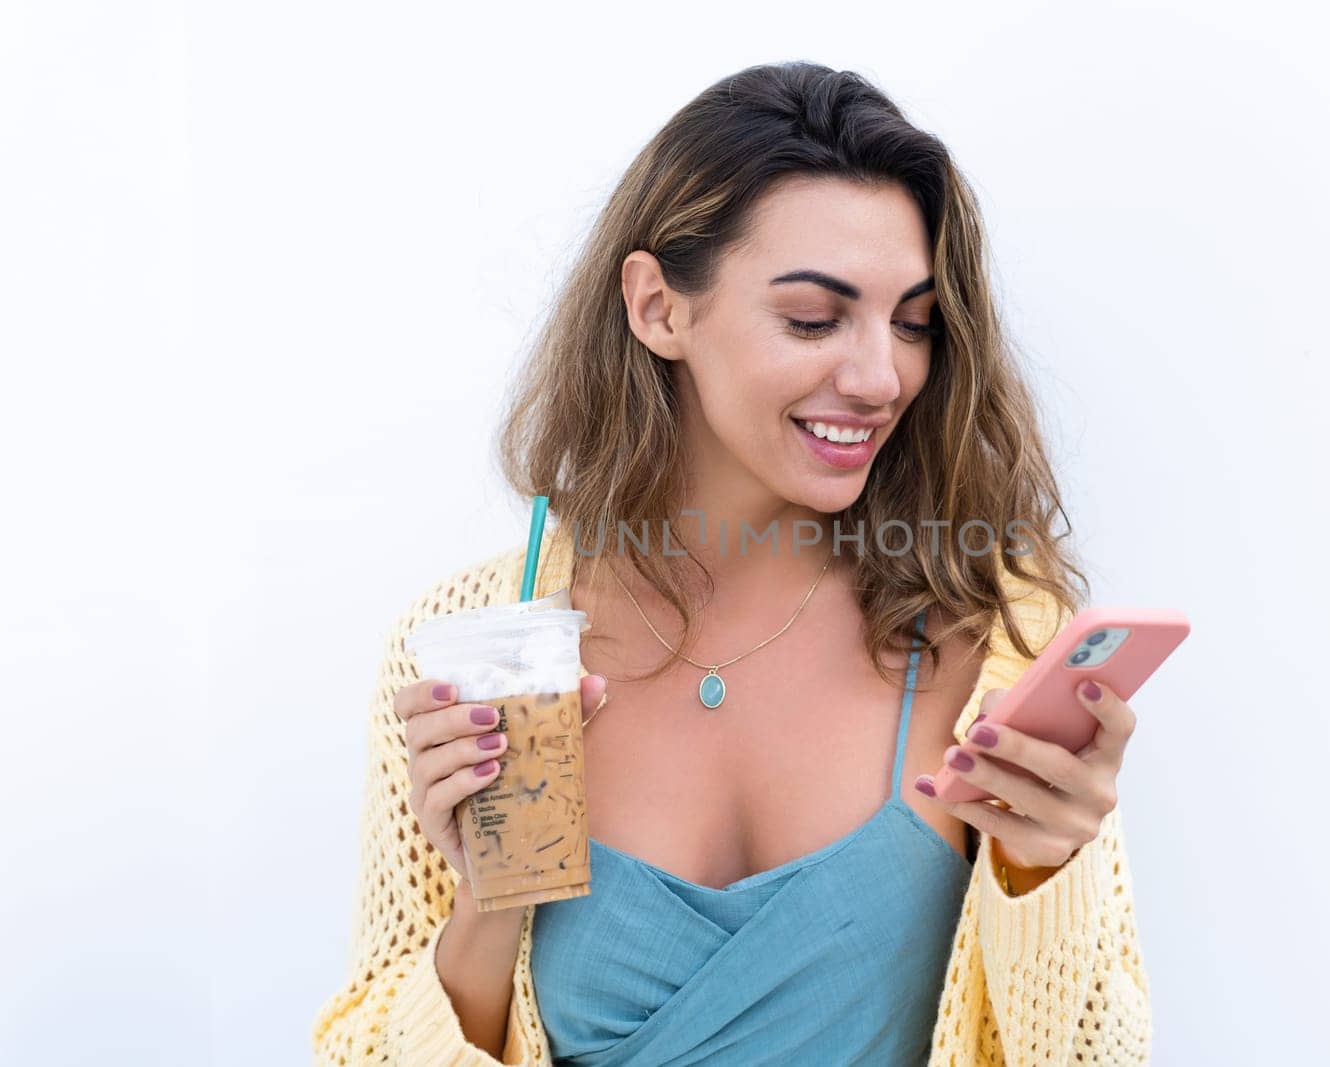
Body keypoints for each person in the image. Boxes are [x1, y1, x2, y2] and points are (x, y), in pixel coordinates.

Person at [313, 60, 1153, 1066]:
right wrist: (490, 900)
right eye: (812, 317)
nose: (881, 375)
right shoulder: (468, 644)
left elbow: (1092, 1052)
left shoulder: (994, 640)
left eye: (914, 322)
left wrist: (1043, 867)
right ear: (658, 307)